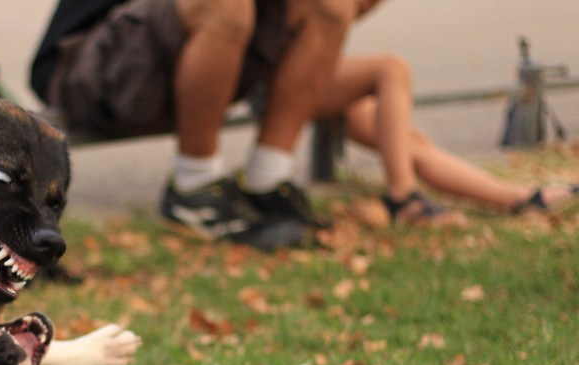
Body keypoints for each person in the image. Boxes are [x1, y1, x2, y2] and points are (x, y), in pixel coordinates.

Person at [31, 0, 368, 250]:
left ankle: (266, 179)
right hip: (89, 63)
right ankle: (194, 189)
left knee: (331, 6)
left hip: (196, 57)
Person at [316, 53, 579, 225]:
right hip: (287, 76)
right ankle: (403, 199)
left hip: (307, 68)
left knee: (406, 139)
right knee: (391, 69)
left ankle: (520, 199)